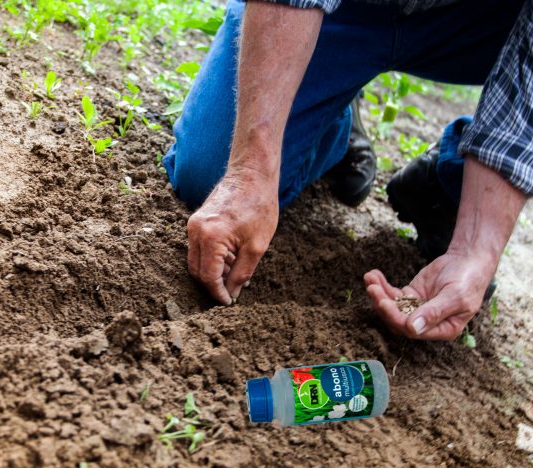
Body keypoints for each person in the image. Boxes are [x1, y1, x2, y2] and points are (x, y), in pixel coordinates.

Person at [162, 0, 531, 341]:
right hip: (347, 9)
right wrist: (251, 170)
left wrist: (475, 251)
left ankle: (452, 180)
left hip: (483, 21)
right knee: (209, 174)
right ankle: (332, 115)